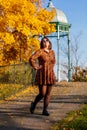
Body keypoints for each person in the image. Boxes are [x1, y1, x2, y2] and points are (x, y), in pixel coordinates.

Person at [29, 36, 56, 116]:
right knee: (42, 93)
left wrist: (51, 68)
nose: (45, 42)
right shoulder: (39, 51)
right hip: (42, 75)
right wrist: (35, 66)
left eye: (46, 40)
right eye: (43, 41)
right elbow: (31, 59)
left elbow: (54, 61)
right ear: (42, 43)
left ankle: (45, 110)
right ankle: (34, 104)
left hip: (50, 74)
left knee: (48, 94)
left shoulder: (52, 52)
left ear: (49, 42)